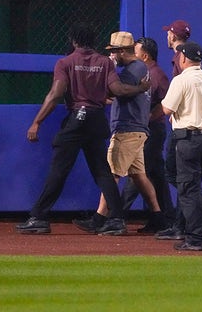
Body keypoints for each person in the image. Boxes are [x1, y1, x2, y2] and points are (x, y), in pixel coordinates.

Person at [16, 23, 148, 235]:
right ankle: (117, 219)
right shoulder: (105, 63)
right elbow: (118, 90)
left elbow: (56, 94)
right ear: (93, 42)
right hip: (96, 121)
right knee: (102, 172)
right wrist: (140, 88)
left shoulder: (65, 62)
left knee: (59, 170)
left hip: (77, 119)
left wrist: (37, 122)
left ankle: (39, 217)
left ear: (74, 41)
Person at [72, 31, 168, 234]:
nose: (113, 55)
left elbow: (115, 90)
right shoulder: (139, 68)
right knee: (140, 176)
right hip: (135, 128)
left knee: (111, 174)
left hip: (128, 128)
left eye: (115, 51)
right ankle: (159, 217)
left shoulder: (134, 68)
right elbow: (118, 94)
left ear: (124, 50)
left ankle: (103, 218)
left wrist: (111, 68)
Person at [155, 20, 202, 241]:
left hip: (188, 137)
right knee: (190, 184)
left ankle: (196, 233)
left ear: (183, 58)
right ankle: (185, 227)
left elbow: (166, 108)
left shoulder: (181, 79)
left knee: (187, 186)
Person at [119, 37, 176, 233]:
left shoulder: (156, 75)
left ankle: (116, 216)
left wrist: (147, 118)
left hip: (152, 131)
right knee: (156, 175)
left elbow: (165, 103)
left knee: (136, 174)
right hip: (150, 130)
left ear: (144, 55)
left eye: (135, 53)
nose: (132, 56)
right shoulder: (148, 72)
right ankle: (164, 218)